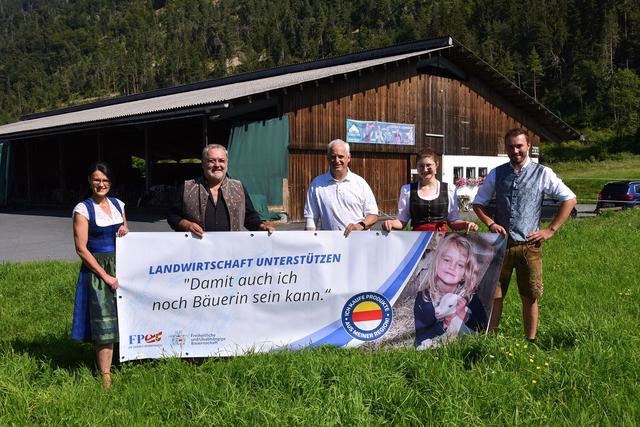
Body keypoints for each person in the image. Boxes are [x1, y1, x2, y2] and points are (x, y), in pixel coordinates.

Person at [472, 128, 577, 342]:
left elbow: (570, 199)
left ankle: (530, 341)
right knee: (495, 296)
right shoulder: (497, 173)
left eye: (519, 145)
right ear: (506, 148)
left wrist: (550, 230)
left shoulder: (543, 173)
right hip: (500, 246)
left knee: (530, 296)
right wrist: (490, 223)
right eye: (510, 146)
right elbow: (478, 203)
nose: (515, 150)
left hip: (530, 247)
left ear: (528, 146)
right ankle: (489, 340)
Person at [71, 162, 129, 389]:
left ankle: (126, 359)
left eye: (105, 180)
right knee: (104, 321)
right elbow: (81, 249)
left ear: (110, 183)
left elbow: (125, 234)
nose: (101, 184)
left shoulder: (118, 204)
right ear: (89, 181)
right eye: (96, 179)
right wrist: (105, 276)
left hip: (121, 264)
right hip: (98, 269)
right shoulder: (83, 209)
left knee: (123, 316)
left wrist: (124, 232)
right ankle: (105, 374)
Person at [168, 144, 275, 235]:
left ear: (227, 163)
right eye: (211, 161)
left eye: (221, 161)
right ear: (203, 164)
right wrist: (186, 225)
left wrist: (260, 226)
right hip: (198, 252)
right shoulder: (187, 187)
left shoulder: (238, 187)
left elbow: (249, 216)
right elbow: (172, 216)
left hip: (231, 252)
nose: (217, 165)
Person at [414, 234, 486, 348]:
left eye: (460, 265)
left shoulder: (470, 298)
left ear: (465, 273)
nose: (452, 267)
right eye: (447, 260)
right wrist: (446, 323)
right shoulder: (423, 298)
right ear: (436, 261)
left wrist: (464, 316)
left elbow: (483, 329)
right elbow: (419, 336)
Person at [382, 149, 478, 232]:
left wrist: (466, 224)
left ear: (436, 165)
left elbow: (453, 221)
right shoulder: (407, 190)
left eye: (429, 165)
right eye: (421, 166)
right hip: (417, 241)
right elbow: (402, 221)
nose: (425, 169)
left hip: (441, 241)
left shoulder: (449, 189)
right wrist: (390, 223)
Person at [304, 139, 379, 236]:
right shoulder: (317, 184)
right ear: (327, 158)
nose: (337, 161)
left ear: (348, 158)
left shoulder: (360, 183)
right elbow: (311, 219)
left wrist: (360, 225)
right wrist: (309, 241)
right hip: (330, 246)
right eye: (333, 157)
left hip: (358, 244)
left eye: (341, 157)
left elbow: (373, 215)